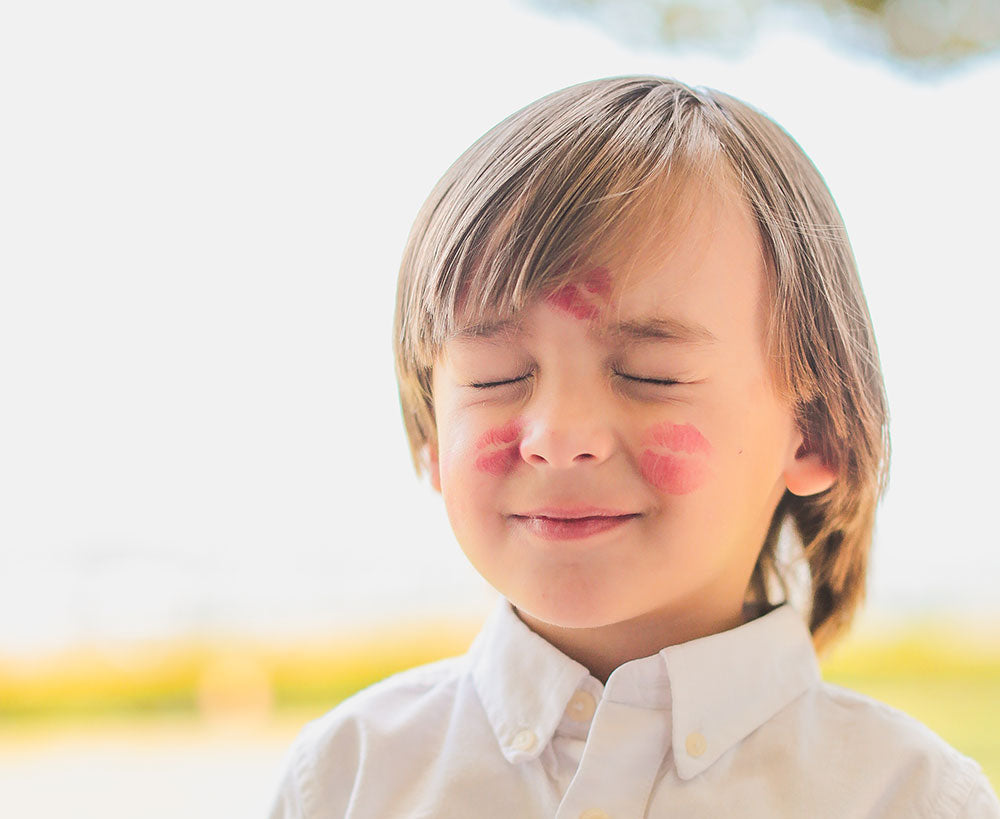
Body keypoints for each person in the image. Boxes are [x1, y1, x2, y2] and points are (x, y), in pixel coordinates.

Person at [268, 76, 1000, 817]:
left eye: (649, 375)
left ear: (815, 431)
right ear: (430, 431)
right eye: (498, 377)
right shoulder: (345, 778)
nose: (557, 436)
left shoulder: (911, 797)